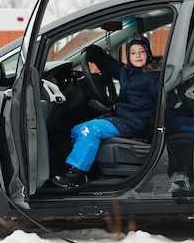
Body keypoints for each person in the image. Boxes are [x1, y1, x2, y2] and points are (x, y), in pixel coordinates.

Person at [52, 34, 161, 189]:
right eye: (133, 52)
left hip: (135, 123)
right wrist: (96, 54)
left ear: (148, 53)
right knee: (77, 130)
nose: (137, 56)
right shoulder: (127, 71)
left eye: (142, 52)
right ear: (128, 55)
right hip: (122, 117)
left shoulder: (153, 78)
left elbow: (162, 100)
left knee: (89, 130)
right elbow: (111, 64)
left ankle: (78, 174)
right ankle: (84, 166)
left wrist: (154, 127)